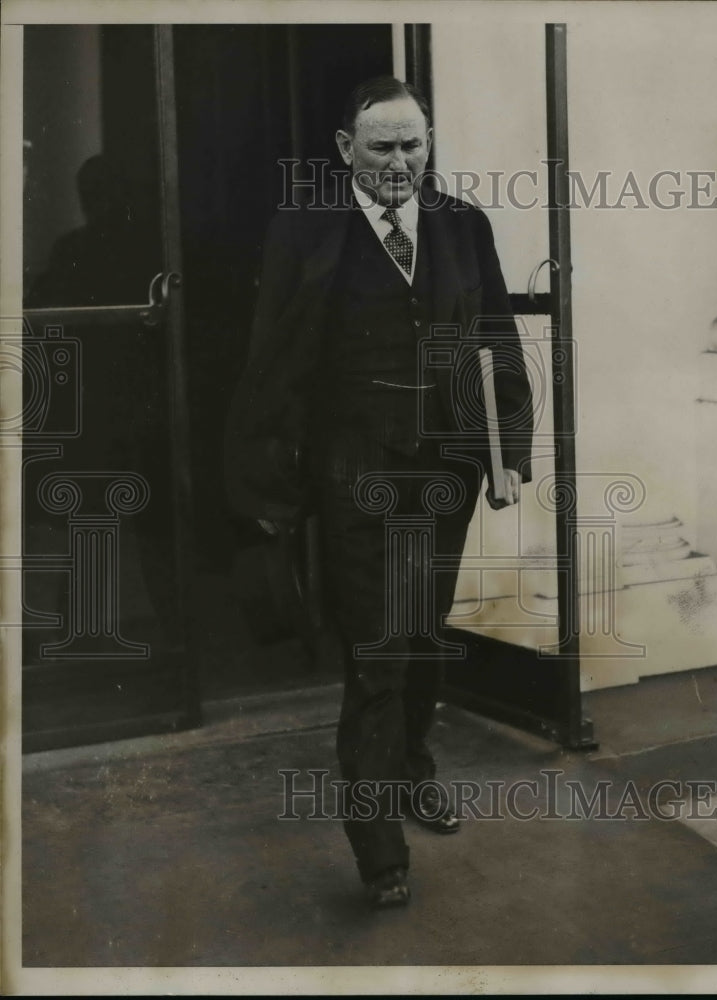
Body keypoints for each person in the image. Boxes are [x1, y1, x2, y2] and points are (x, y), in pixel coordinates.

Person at [226, 76, 533, 908]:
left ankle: (412, 774)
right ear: (344, 149)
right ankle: (378, 847)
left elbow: (498, 340)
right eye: (382, 147)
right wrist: (268, 487)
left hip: (446, 474)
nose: (400, 162)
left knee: (423, 633)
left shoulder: (462, 225)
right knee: (376, 649)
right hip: (355, 474)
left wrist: (507, 453)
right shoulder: (304, 230)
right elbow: (272, 363)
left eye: (413, 145)